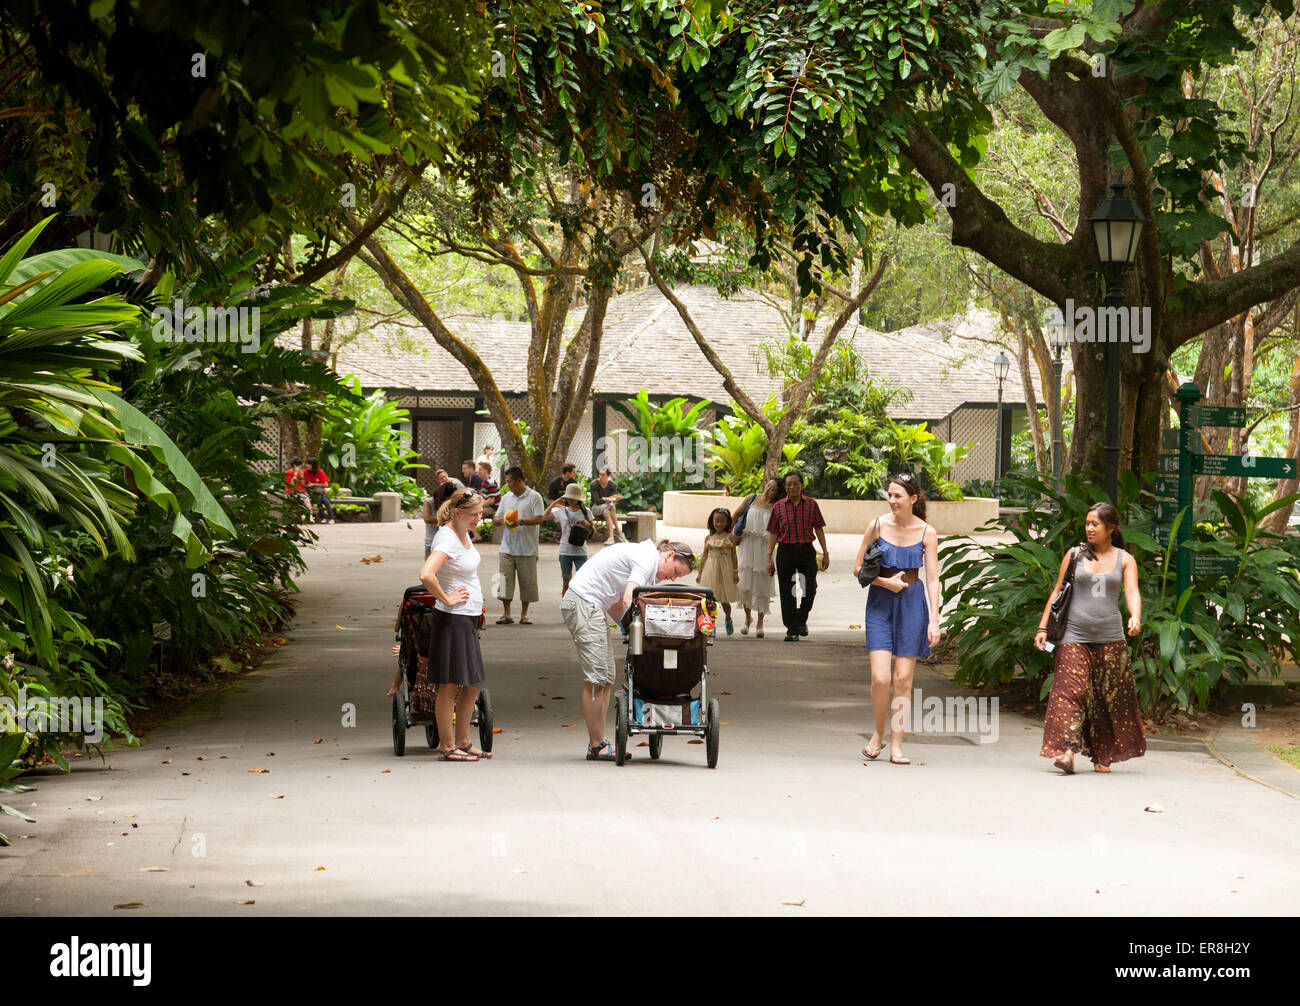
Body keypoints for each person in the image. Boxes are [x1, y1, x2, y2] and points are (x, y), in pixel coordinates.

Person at [561, 539, 696, 761]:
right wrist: (642, 638)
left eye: (678, 578)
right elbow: (628, 599)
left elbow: (617, 602)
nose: (672, 579)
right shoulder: (646, 559)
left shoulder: (646, 557)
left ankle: (600, 742)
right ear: (669, 555)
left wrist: (630, 632)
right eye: (675, 572)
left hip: (592, 605)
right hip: (584, 603)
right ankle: (596, 745)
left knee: (606, 677)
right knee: (596, 677)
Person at [1035, 502, 1145, 774]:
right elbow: (1057, 592)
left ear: (1111, 528)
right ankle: (1067, 752)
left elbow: (1132, 592)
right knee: (1070, 693)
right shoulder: (1074, 555)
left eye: (1095, 524)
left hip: (1111, 638)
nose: (1089, 528)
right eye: (1087, 524)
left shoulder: (1125, 559)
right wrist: (1042, 628)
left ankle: (1102, 754)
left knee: (1107, 698)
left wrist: (1135, 616)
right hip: (1074, 634)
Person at [854, 473, 941, 765]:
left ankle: (897, 745)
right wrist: (885, 582)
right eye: (889, 495)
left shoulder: (927, 532)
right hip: (880, 604)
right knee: (880, 678)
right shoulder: (876, 526)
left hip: (912, 605)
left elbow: (932, 579)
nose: (892, 500)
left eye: (898, 496)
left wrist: (935, 620)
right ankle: (878, 734)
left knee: (902, 679)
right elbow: (858, 569)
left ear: (913, 499)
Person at [419, 487, 490, 761]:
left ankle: (463, 740)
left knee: (472, 682)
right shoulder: (447, 538)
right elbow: (427, 574)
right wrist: (446, 598)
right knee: (450, 684)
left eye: (480, 513)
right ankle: (447, 746)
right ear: (457, 513)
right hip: (452, 618)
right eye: (473, 514)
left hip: (467, 617)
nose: (478, 519)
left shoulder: (463, 533)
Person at [765, 473, 829, 642]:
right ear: (784, 488)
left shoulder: (812, 505)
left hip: (806, 551)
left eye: (795, 484)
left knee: (810, 587)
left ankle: (801, 618)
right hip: (785, 551)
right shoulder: (778, 507)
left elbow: (819, 529)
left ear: (802, 485)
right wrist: (768, 556)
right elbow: (773, 532)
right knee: (787, 591)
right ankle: (792, 628)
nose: (792, 488)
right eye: (788, 485)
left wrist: (826, 553)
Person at [493, 466, 544, 624]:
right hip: (507, 547)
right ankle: (506, 614)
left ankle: (524, 614)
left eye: (509, 482)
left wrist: (520, 521)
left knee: (527, 582)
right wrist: (499, 520)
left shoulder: (534, 497)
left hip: (527, 548)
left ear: (519, 481)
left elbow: (540, 518)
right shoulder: (506, 497)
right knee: (504, 581)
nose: (508, 485)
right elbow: (496, 517)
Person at [732, 479, 780, 637]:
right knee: (745, 582)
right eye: (767, 486)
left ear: (778, 493)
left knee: (762, 583)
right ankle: (747, 619)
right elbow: (736, 514)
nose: (767, 490)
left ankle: (760, 621)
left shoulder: (777, 507)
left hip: (765, 548)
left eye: (772, 489)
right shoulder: (751, 498)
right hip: (747, 544)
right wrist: (728, 535)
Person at [544, 482, 594, 596]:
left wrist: (586, 524)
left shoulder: (585, 511)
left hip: (581, 551)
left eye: (574, 498)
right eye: (569, 498)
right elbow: (544, 516)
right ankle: (565, 604)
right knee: (566, 581)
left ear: (579, 499)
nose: (571, 500)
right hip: (565, 551)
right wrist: (555, 503)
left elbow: (592, 532)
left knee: (582, 580)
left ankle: (580, 602)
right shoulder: (561, 511)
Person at [697, 507, 740, 634]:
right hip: (711, 569)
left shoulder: (730, 537)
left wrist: (735, 571)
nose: (719, 524)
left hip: (726, 569)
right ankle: (711, 625)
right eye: (717, 521)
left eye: (722, 521)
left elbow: (734, 556)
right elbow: (704, 555)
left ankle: (728, 618)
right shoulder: (708, 538)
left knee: (725, 600)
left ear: (727, 523)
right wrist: (700, 573)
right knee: (711, 600)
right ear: (712, 522)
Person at [422, 478, 460, 558]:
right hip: (432, 541)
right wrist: (447, 519)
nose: (449, 500)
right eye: (448, 498)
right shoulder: (429, 502)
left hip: (448, 542)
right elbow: (427, 518)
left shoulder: (453, 503)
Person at [589, 467, 627, 543]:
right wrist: (609, 499)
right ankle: (619, 531)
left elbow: (611, 499)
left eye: (603, 475)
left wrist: (610, 499)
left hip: (606, 508)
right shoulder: (594, 484)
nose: (600, 477)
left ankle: (611, 537)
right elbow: (597, 500)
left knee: (607, 512)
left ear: (608, 476)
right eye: (599, 474)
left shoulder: (613, 485)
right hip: (595, 508)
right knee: (612, 506)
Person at [302, 456, 337, 524]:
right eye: (307, 463)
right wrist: (309, 485)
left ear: (313, 465)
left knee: (324, 500)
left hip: (321, 492)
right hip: (312, 493)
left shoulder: (320, 472)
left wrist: (313, 484)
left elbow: (325, 484)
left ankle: (329, 518)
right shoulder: (305, 472)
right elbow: (304, 485)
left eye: (309, 464)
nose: (307, 465)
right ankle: (327, 518)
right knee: (320, 499)